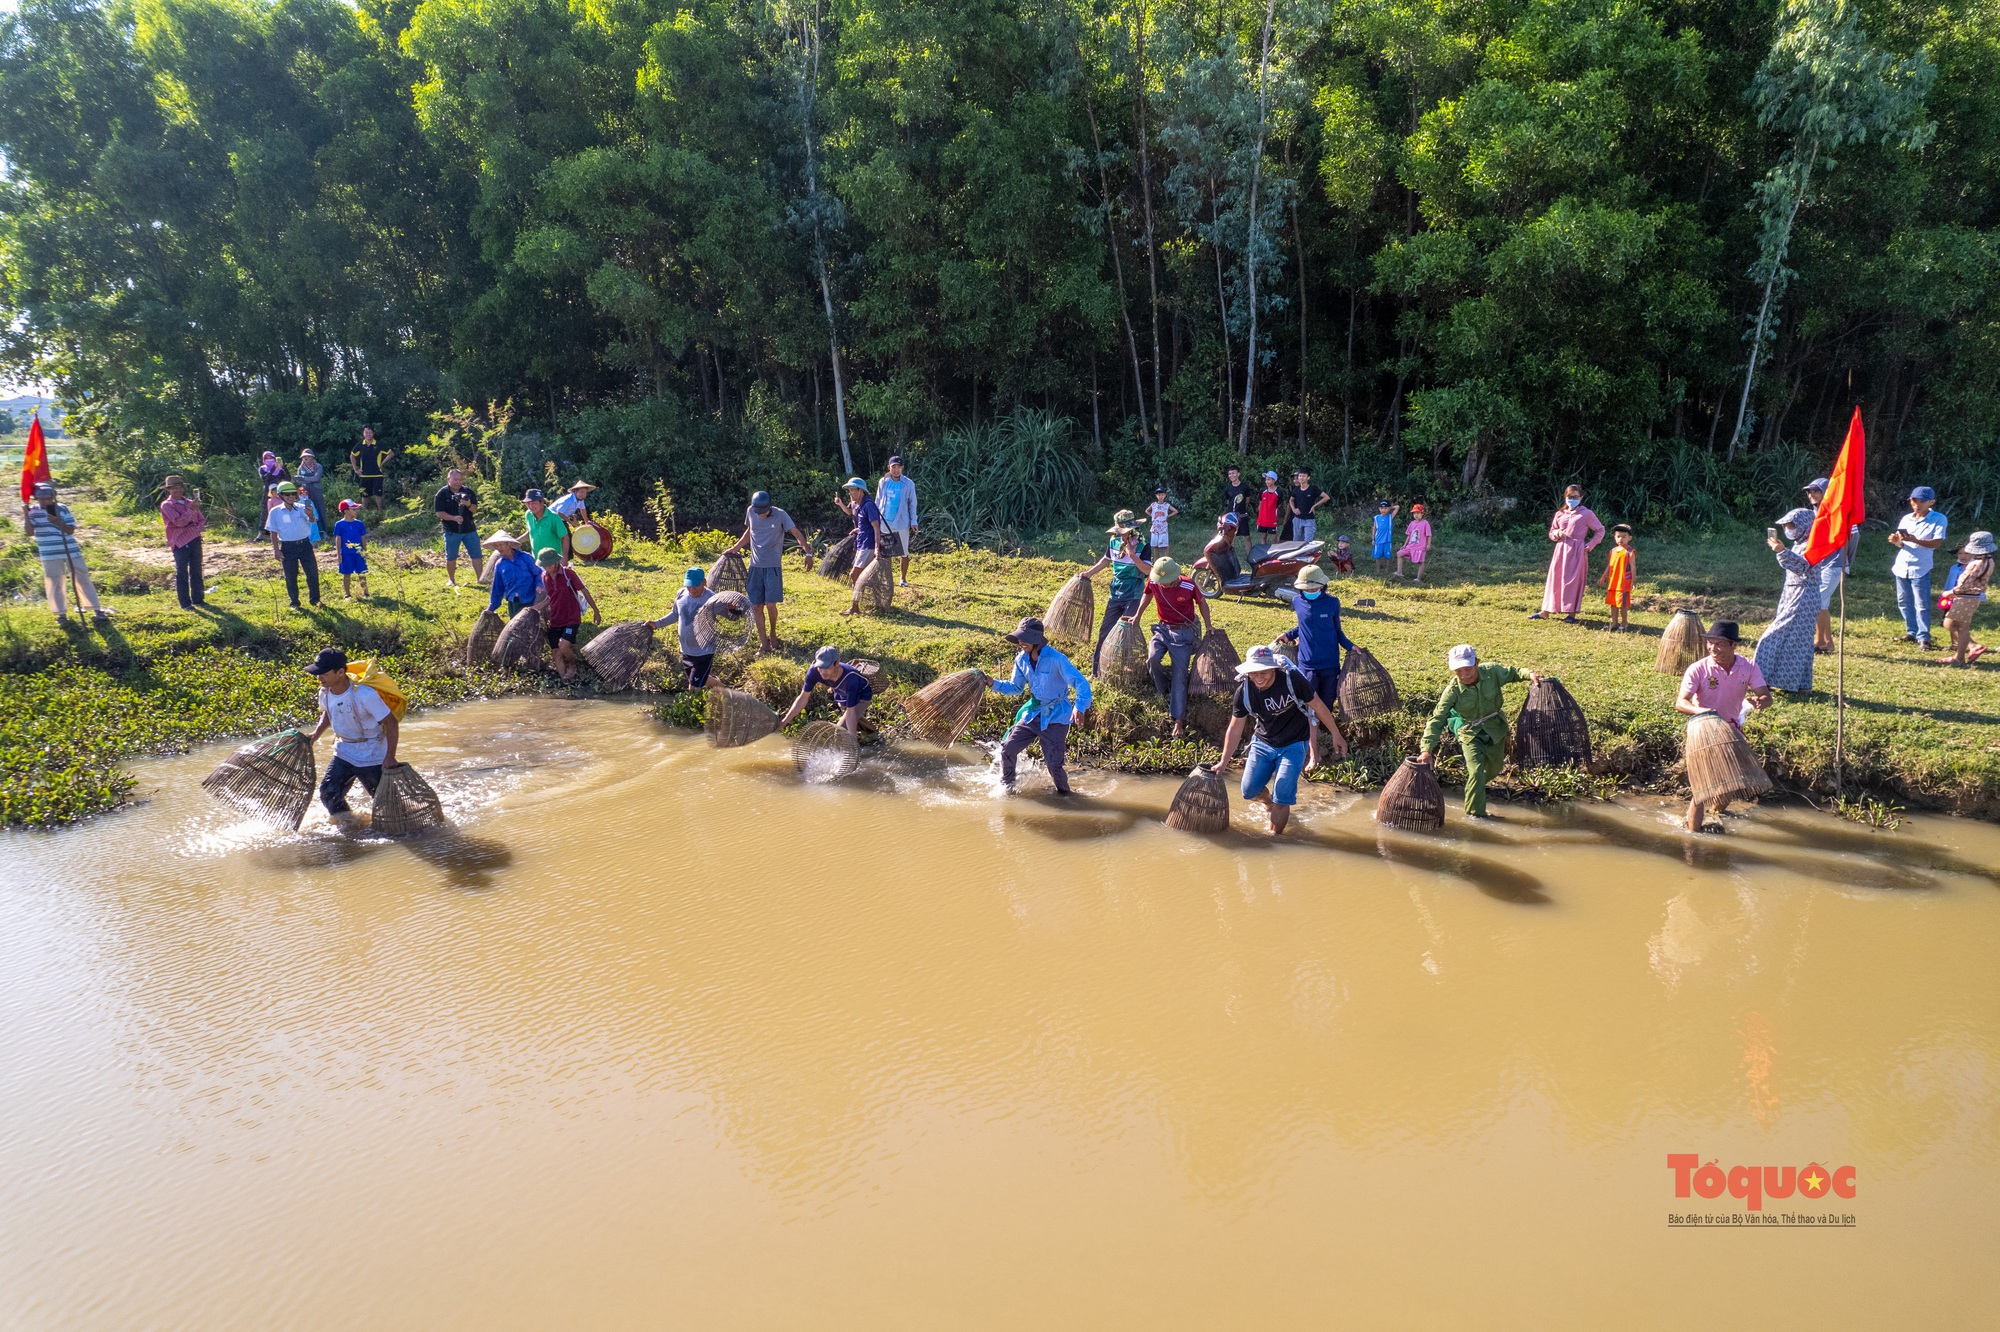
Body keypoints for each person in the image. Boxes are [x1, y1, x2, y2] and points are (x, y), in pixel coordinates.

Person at [1212, 644, 1348, 835]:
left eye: (1264, 672)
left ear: (1273, 668)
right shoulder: (1244, 691)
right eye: (1254, 673)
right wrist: (1223, 762)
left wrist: (1336, 733)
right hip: (1263, 743)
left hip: (1293, 744)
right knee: (1249, 791)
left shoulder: (1292, 680)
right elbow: (1235, 728)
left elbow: (1318, 705)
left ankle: (1274, 840)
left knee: (1283, 794)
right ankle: (1268, 803)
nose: (1259, 678)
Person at [1417, 645, 1544, 818]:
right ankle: (1475, 816)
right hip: (1469, 732)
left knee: (1494, 769)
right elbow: (1437, 719)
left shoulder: (1492, 672)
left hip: (1495, 728)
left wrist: (1529, 674)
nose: (1464, 675)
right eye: (1458, 671)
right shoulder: (1453, 691)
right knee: (1476, 771)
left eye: (1468, 669)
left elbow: (1513, 673)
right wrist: (1426, 749)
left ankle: (1473, 790)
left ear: (1477, 663)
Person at [1675, 622, 1771, 832]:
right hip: (1703, 728)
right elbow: (1681, 703)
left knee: (1731, 782)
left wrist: (1761, 700)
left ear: (1733, 645)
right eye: (1710, 643)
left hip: (1730, 730)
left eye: (1719, 644)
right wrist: (1704, 712)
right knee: (1702, 787)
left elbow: (1765, 695)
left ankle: (1715, 815)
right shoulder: (1698, 668)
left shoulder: (1748, 667)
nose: (1713, 648)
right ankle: (1693, 835)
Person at [988, 617, 1092, 796]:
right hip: (1034, 713)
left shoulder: (1057, 659)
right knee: (1008, 749)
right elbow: (1016, 687)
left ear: (1037, 640)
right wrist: (991, 683)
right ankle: (1007, 787)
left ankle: (1066, 796)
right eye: (1020, 638)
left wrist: (1079, 706)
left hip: (1057, 717)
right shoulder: (1021, 659)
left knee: (1054, 765)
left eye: (1026, 638)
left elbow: (1080, 682)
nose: (1021, 642)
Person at [304, 646, 398, 825]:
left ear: (340, 672)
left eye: (323, 673)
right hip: (344, 751)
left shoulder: (364, 695)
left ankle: (394, 828)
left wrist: (390, 756)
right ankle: (350, 825)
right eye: (317, 672)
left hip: (372, 753)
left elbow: (391, 723)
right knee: (328, 793)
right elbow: (328, 714)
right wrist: (316, 734)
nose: (319, 677)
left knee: (385, 801)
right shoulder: (325, 692)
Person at [1123, 556, 1212, 739]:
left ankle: (1178, 719)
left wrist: (1209, 625)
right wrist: (1137, 616)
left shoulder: (1188, 585)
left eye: (1167, 581)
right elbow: (1147, 595)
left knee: (1180, 676)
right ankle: (1163, 690)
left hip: (1183, 633)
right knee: (1152, 658)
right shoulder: (1154, 582)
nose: (1164, 585)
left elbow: (1202, 603)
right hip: (1162, 629)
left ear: (1176, 576)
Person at [1275, 566, 1354, 764]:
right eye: (1306, 589)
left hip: (1330, 665)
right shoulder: (1296, 601)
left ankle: (1323, 744)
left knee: (1324, 708)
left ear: (1322, 585)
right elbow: (1302, 625)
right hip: (1307, 666)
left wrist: (1352, 648)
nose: (1310, 592)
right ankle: (1313, 754)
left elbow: (1338, 632)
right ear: (1300, 589)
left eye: (1313, 588)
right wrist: (1288, 635)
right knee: (1311, 711)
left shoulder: (1332, 603)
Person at [726, 490, 816, 651]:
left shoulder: (780, 515)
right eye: (758, 512)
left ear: (770, 507)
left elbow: (796, 533)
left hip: (772, 567)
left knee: (771, 605)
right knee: (756, 607)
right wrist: (735, 548)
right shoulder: (751, 511)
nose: (761, 515)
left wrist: (808, 553)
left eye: (764, 512)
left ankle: (773, 633)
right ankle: (764, 643)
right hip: (755, 567)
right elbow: (749, 532)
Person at [25, 480, 110, 622]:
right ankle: (61, 614)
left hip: (70, 550)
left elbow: (70, 530)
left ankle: (96, 609)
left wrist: (57, 521)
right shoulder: (32, 512)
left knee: (82, 578)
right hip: (49, 553)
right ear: (37, 498)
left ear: (53, 497)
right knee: (55, 582)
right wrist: (25, 514)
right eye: (42, 499)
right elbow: (29, 532)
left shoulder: (61, 508)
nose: (45, 501)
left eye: (48, 498)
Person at [1753, 507, 1818, 692]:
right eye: (1787, 526)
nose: (1788, 529)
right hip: (1793, 593)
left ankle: (1759, 679)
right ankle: (1796, 684)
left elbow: (1804, 567)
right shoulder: (1800, 544)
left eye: (1791, 525)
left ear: (1803, 525)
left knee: (1773, 636)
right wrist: (1783, 551)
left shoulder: (1813, 544)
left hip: (1803, 595)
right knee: (1797, 640)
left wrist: (1781, 551)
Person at [1080, 513, 1152, 667]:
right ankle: (1097, 668)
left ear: (1133, 529)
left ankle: (1125, 665)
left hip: (1133, 592)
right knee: (1105, 630)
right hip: (1116, 591)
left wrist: (1132, 555)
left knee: (1126, 631)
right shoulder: (1114, 541)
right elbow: (1106, 560)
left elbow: (1147, 570)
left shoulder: (1143, 545)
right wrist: (1089, 573)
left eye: (1124, 531)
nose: (1121, 534)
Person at [1531, 485, 1605, 622]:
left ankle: (1571, 614)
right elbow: (1552, 532)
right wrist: (1557, 533)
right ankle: (1545, 611)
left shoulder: (1586, 514)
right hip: (1561, 550)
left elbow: (1600, 530)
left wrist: (1590, 545)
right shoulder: (1560, 514)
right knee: (1555, 578)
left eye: (1575, 497)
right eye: (1570, 497)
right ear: (1565, 497)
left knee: (1573, 581)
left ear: (1581, 498)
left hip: (1577, 551)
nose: (1572, 500)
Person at [1802, 477, 1857, 652]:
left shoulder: (1839, 511)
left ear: (1827, 492)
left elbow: (1854, 536)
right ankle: (1824, 642)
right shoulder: (1813, 511)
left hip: (1834, 564)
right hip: (1819, 564)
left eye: (1816, 491)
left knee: (1815, 601)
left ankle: (1822, 641)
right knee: (1821, 603)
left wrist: (1845, 560)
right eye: (1810, 491)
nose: (1812, 494)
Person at [1889, 485, 1947, 648]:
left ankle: (1924, 637)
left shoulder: (1939, 518)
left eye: (1921, 501)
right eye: (1913, 501)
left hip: (1920, 567)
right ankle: (1911, 633)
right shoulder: (1907, 518)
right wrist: (1897, 541)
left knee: (1921, 604)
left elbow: (1936, 543)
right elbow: (1902, 543)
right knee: (1904, 602)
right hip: (1901, 566)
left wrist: (1915, 540)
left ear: (1931, 502)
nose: (1916, 504)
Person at [533, 547, 599, 680]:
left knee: (563, 645)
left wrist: (596, 611)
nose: (547, 567)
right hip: (556, 618)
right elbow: (550, 598)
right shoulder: (544, 577)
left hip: (571, 618)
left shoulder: (568, 574)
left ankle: (573, 664)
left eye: (549, 564)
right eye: (544, 565)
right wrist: (536, 607)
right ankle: (564, 680)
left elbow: (584, 591)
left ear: (556, 562)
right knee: (556, 652)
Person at [782, 645, 874, 738]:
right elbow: (803, 698)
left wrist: (853, 740)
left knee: (839, 732)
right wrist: (783, 722)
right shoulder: (814, 671)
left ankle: (865, 739)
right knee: (851, 720)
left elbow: (851, 711)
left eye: (827, 668)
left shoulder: (851, 678)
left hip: (862, 695)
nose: (822, 672)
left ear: (837, 663)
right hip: (842, 694)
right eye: (820, 667)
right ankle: (873, 733)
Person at [652, 568, 716, 688]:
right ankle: (724, 689)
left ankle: (694, 707)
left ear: (704, 582)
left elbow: (730, 616)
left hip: (704, 652)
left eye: (695, 586)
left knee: (693, 687)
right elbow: (675, 614)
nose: (691, 589)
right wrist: (656, 623)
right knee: (700, 678)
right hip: (686, 650)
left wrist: (733, 609)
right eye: (689, 586)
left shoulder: (712, 598)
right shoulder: (681, 594)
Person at [1938, 531, 1994, 666]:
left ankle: (1971, 647)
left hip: (1964, 597)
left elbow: (1965, 583)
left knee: (1949, 623)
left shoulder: (1975, 564)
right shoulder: (1989, 561)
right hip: (1974, 597)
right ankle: (1959, 657)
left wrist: (1951, 592)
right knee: (1963, 626)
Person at [264, 481, 320, 609]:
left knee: (312, 573)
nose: (291, 496)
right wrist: (276, 550)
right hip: (287, 547)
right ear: (280, 495)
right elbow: (273, 531)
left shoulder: (302, 507)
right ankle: (294, 602)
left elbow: (312, 520)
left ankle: (315, 600)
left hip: (305, 545)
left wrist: (311, 515)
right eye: (287, 494)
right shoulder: (275, 512)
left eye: (293, 494)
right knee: (290, 575)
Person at [835, 476, 885, 615]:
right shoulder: (857, 504)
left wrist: (876, 548)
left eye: (852, 490)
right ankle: (876, 603)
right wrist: (858, 529)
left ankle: (855, 606)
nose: (850, 493)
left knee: (854, 574)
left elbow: (876, 527)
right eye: (849, 490)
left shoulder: (869, 505)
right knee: (867, 576)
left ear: (860, 491)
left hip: (868, 545)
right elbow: (864, 523)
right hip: (861, 542)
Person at [159, 474, 207, 610]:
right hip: (179, 542)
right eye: (174, 488)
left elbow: (201, 520)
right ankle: (185, 603)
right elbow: (179, 522)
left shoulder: (189, 502)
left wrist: (194, 527)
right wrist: (192, 513)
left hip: (195, 540)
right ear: (169, 490)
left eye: (180, 487)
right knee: (182, 573)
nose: (178, 490)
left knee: (196, 570)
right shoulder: (167, 505)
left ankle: (198, 599)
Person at [433, 467, 482, 587]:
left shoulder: (468, 492)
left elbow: (475, 509)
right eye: (455, 479)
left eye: (460, 479)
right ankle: (451, 580)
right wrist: (453, 518)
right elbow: (439, 513)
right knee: (451, 556)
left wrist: (468, 504)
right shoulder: (442, 494)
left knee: (476, 554)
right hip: (451, 530)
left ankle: (481, 579)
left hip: (469, 529)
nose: (458, 482)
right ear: (448, 479)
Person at [875, 456, 919, 586]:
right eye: (893, 467)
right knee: (886, 551)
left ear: (902, 468)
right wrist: (875, 519)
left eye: (898, 467)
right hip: (885, 521)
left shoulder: (908, 483)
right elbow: (878, 501)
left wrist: (914, 521)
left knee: (904, 552)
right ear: (889, 468)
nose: (896, 470)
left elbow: (912, 503)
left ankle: (903, 579)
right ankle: (888, 579)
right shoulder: (883, 482)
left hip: (902, 521)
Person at [482, 531, 541, 616]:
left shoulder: (525, 557)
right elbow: (497, 587)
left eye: (501, 544)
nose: (499, 548)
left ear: (508, 544)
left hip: (531, 600)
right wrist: (491, 607)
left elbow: (538, 573)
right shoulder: (500, 564)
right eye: (496, 545)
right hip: (514, 602)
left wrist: (539, 585)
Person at [349, 426, 393, 517]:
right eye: (366, 432)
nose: (368, 434)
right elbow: (352, 455)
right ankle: (366, 513)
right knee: (364, 495)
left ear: (373, 433)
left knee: (378, 494)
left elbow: (391, 453)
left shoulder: (379, 444)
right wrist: (355, 468)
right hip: (364, 474)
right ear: (363, 433)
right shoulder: (360, 444)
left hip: (377, 474)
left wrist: (382, 463)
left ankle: (380, 512)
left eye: (370, 432)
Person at [1598, 524, 1635, 631]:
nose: (1621, 539)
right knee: (1613, 603)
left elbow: (1633, 567)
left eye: (1624, 536)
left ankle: (1624, 623)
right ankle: (1614, 623)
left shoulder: (1630, 552)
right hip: (1612, 582)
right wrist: (1603, 576)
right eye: (1618, 536)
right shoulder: (1612, 551)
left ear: (1629, 538)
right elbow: (1610, 565)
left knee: (1622, 604)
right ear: (1615, 537)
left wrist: (1633, 581)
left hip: (1623, 583)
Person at [333, 500, 370, 601]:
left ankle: (365, 592)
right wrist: (338, 554)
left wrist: (365, 551)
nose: (355, 511)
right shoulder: (339, 524)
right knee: (346, 573)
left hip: (358, 552)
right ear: (346, 511)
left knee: (361, 572)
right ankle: (347, 594)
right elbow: (338, 538)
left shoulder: (359, 523)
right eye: (353, 509)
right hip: (346, 553)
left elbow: (363, 538)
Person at [521, 488, 569, 564]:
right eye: (528, 503)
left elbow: (565, 537)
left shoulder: (554, 517)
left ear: (542, 502)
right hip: (537, 560)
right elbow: (531, 532)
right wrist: (516, 541)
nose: (531, 506)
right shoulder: (528, 515)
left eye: (533, 503)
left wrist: (564, 557)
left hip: (553, 561)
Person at [294, 450, 328, 545]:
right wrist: (308, 479)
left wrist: (304, 478)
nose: (306, 458)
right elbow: (299, 481)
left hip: (316, 491)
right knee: (308, 509)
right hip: (305, 493)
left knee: (320, 510)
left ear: (312, 457)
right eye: (304, 457)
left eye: (308, 456)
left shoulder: (318, 466)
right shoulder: (301, 467)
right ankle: (310, 533)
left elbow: (316, 478)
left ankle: (323, 531)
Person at [1289, 471, 1329, 544]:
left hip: (1309, 519)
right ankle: (1298, 555)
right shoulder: (1296, 489)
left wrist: (1314, 506)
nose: (1301, 478)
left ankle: (1308, 554)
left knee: (1308, 542)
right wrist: (1293, 509)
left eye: (1304, 476)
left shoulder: (1313, 488)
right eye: (1300, 476)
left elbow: (1326, 497)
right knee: (1296, 542)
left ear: (1308, 478)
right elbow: (1291, 500)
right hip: (1298, 519)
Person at [1202, 514, 1242, 587]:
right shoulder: (1227, 536)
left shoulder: (1226, 536)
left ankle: (1224, 581)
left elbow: (1207, 550)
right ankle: (1226, 579)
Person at [1394, 503, 1432, 581]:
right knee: (1399, 553)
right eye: (1414, 513)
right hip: (1410, 546)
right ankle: (1399, 572)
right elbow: (1409, 535)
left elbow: (1429, 535)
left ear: (1422, 513)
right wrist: (1405, 545)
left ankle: (1418, 578)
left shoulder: (1425, 523)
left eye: (1418, 513)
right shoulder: (1412, 523)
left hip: (1420, 547)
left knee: (1421, 562)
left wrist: (1428, 544)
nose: (1416, 515)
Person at [1221, 466, 1250, 551]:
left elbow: (1247, 499)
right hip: (1230, 516)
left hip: (1242, 515)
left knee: (1247, 537)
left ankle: (1250, 557)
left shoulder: (1244, 486)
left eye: (1233, 473)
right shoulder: (1228, 488)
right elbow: (1227, 500)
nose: (1231, 475)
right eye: (1229, 474)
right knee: (1229, 537)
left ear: (1238, 474)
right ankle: (1229, 554)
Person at [1147, 486, 1178, 554]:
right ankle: (1156, 561)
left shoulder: (1166, 505)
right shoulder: (1153, 505)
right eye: (1159, 495)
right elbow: (1147, 511)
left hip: (1163, 526)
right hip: (1155, 526)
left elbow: (1175, 511)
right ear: (1156, 495)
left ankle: (1166, 561)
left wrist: (1168, 516)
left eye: (1162, 495)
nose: (1160, 496)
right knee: (1155, 546)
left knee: (1165, 545)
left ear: (1165, 495)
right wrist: (1152, 515)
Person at [1371, 501, 1397, 576]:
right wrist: (1373, 539)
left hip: (1387, 541)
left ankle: (1387, 570)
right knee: (1377, 556)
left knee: (1387, 556)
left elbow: (1397, 507)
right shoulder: (1376, 518)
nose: (1383, 510)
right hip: (1378, 541)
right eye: (1381, 508)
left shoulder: (1390, 517)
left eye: (1385, 508)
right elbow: (1374, 528)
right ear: (1379, 509)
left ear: (1388, 509)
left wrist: (1390, 508)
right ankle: (1378, 570)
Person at [1255, 472, 1282, 542]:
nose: (1266, 481)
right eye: (1266, 479)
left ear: (1274, 480)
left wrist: (1277, 517)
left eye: (1269, 479)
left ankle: (1274, 552)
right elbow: (1260, 503)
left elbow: (1279, 505)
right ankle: (1263, 552)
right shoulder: (1263, 490)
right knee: (1263, 537)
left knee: (1274, 539)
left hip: (1272, 519)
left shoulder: (1278, 492)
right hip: (1262, 519)